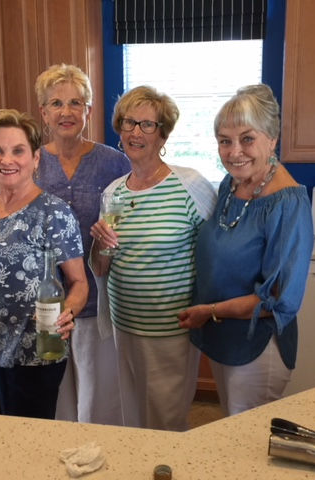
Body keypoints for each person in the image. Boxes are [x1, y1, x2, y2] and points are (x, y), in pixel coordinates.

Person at [177, 84, 314, 416]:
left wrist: (209, 310)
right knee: (230, 425)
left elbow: (278, 300)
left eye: (247, 139)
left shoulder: (287, 203)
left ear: (272, 139)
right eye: (225, 141)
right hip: (223, 337)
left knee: (247, 439)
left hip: (257, 347)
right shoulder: (232, 184)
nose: (234, 152)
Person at [89, 85, 217, 431]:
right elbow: (101, 266)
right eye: (129, 122)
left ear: (163, 135)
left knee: (166, 419)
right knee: (131, 417)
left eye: (147, 124)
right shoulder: (113, 193)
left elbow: (217, 250)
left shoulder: (189, 186)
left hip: (171, 329)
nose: (136, 132)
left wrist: (209, 308)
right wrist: (100, 245)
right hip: (124, 325)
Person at [0, 108, 88, 419]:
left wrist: (67, 313)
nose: (6, 159)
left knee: (25, 440)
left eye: (18, 150)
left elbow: (79, 282)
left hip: (31, 351)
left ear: (35, 159)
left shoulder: (54, 212)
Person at [34, 64, 130, 425]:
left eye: (76, 102)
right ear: (43, 112)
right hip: (45, 303)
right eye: (56, 103)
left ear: (88, 110)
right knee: (55, 399)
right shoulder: (31, 163)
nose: (67, 112)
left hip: (97, 302)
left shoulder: (114, 163)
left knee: (98, 400)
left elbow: (126, 222)